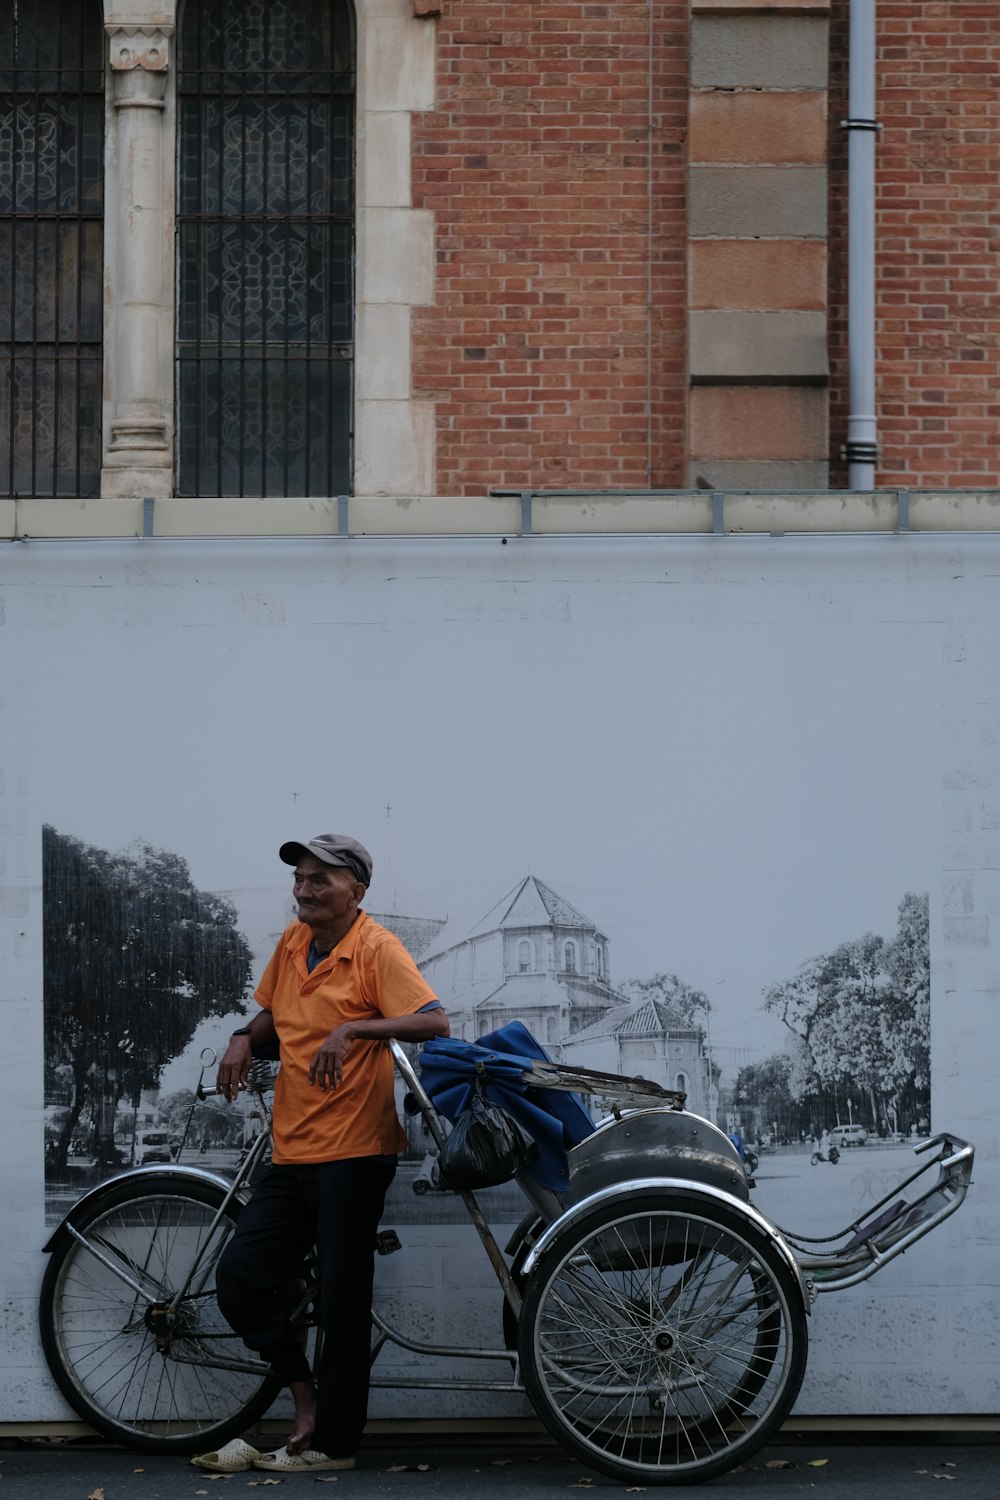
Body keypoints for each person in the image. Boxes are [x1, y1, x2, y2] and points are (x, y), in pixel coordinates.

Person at [192, 833, 448, 1476]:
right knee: (243, 1276)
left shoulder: (377, 949)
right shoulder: (292, 944)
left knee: (340, 1302)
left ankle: (333, 1444)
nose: (303, 890)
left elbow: (433, 1020)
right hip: (294, 1150)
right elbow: (272, 1015)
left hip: (356, 1152)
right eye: (300, 879)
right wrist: (240, 1038)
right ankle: (302, 1396)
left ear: (355, 891)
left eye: (319, 880)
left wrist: (355, 1026)